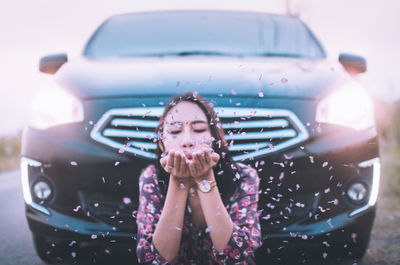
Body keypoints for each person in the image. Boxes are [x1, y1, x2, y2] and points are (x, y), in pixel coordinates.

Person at [136, 92, 262, 264]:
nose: (187, 141)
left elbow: (236, 254)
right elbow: (155, 259)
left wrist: (205, 178)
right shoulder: (152, 177)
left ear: (215, 139)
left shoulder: (244, 176)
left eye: (199, 129)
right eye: (175, 131)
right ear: (161, 143)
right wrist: (178, 181)